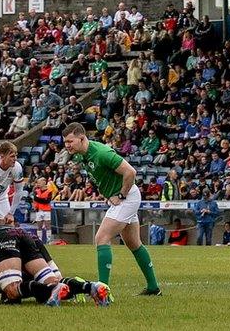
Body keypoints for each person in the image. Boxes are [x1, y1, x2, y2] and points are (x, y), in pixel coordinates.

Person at [62, 122, 160, 296]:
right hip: (122, 197)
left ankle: (102, 291)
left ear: (82, 138)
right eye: (65, 142)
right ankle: (153, 288)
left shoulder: (101, 153)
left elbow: (130, 172)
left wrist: (121, 195)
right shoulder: (83, 155)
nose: (67, 145)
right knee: (133, 243)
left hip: (127, 197)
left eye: (70, 141)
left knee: (101, 237)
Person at [31, 177, 54, 242]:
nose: (38, 184)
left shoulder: (49, 191)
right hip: (39, 210)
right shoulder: (36, 191)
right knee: (39, 226)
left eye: (39, 182)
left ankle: (48, 240)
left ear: (44, 182)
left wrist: (39, 199)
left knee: (47, 225)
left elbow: (47, 201)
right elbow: (36, 199)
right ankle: (39, 240)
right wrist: (42, 199)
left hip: (46, 210)